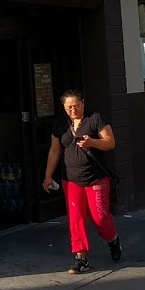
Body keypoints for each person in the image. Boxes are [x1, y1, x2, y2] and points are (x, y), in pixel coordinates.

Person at [42, 89, 123, 274]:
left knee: (100, 218)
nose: (72, 110)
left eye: (76, 106)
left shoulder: (95, 118)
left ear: (83, 103)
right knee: (75, 219)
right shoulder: (60, 124)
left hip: (95, 178)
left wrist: (92, 142)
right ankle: (81, 257)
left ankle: (112, 239)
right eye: (68, 107)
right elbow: (54, 151)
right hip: (71, 180)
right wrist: (48, 176)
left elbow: (110, 142)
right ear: (63, 107)